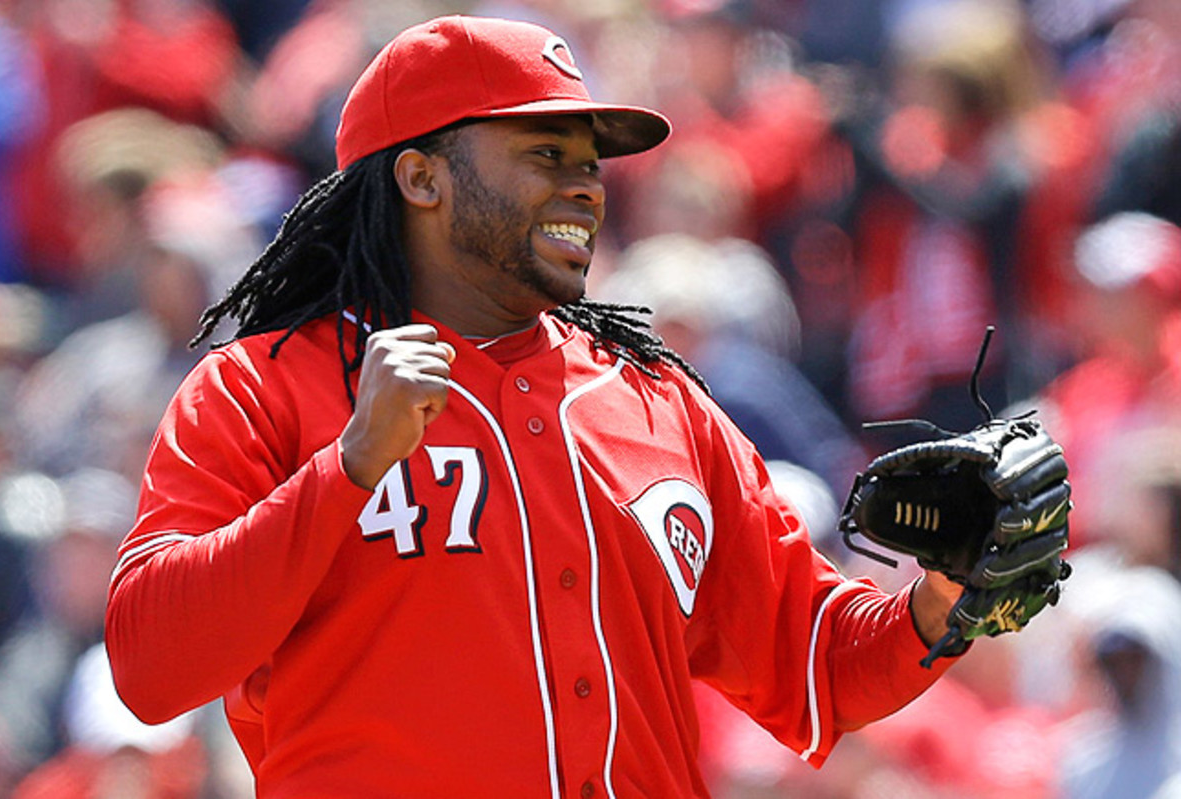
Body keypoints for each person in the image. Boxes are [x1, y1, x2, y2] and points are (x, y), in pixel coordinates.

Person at [105, 15, 973, 797]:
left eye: (590, 164)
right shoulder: (263, 386)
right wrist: (349, 468)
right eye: (544, 155)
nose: (586, 188)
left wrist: (946, 594)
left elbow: (814, 660)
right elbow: (151, 666)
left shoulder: (656, 398)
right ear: (420, 177)